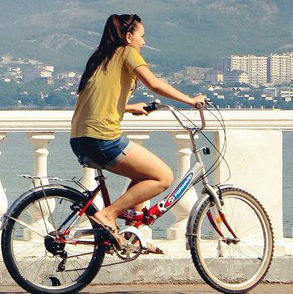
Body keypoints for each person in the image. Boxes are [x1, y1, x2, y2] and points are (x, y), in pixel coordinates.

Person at [69, 13, 206, 246]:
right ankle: (108, 214)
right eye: (142, 36)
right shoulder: (126, 52)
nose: (144, 42)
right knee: (163, 176)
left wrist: (130, 107)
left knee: (142, 175)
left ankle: (132, 235)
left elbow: (98, 102)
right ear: (129, 36)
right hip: (103, 138)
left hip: (80, 139)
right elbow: (154, 84)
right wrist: (191, 100)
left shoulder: (100, 59)